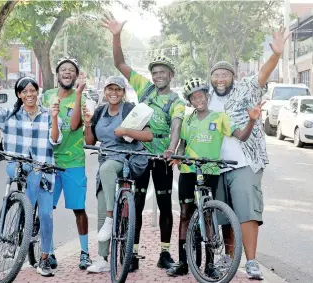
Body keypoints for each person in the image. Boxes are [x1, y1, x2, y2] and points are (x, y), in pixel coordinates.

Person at [102, 11, 185, 271]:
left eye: (163, 72)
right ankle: (132, 254)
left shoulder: (177, 101)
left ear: (171, 75)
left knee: (164, 204)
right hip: (137, 152)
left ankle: (164, 253)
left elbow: (176, 124)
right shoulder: (144, 87)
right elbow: (120, 63)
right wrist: (116, 36)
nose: (158, 75)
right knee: (135, 202)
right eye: (155, 72)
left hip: (161, 155)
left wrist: (171, 148)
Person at [208, 27, 290, 280]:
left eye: (224, 75)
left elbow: (263, 75)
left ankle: (252, 262)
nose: (220, 79)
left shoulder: (246, 89)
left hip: (244, 162)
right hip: (215, 165)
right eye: (216, 75)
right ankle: (230, 259)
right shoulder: (206, 97)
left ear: (233, 76)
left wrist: (275, 55)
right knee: (224, 216)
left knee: (247, 213)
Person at [166, 78, 263, 277]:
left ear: (207, 96)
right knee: (185, 214)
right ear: (190, 101)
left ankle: (210, 264)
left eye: (201, 95)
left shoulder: (220, 118)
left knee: (208, 216)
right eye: (194, 97)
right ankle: (183, 262)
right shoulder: (188, 119)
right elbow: (182, 144)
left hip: (210, 171)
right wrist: (177, 156)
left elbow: (242, 136)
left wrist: (252, 120)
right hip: (188, 171)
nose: (198, 99)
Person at [0, 77, 62, 277]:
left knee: (45, 216)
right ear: (19, 95)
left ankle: (44, 258)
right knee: (31, 175)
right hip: (17, 166)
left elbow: (55, 140)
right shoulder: (11, 115)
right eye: (24, 91)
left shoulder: (48, 114)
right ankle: (18, 230)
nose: (29, 94)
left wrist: (53, 118)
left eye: (32, 90)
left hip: (44, 172)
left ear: (37, 92)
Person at [83, 76, 153, 273]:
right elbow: (90, 141)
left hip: (128, 159)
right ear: (105, 92)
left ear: (123, 92)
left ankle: (111, 218)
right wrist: (88, 123)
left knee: (106, 170)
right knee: (102, 203)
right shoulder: (99, 111)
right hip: (106, 158)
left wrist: (126, 130)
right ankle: (102, 259)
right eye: (110, 89)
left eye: (118, 89)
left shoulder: (130, 109)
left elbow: (148, 135)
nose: (113, 93)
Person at [41, 57, 92, 270]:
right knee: (46, 209)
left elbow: (73, 126)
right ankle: (49, 252)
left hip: (74, 162)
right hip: (49, 162)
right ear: (58, 74)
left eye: (72, 70)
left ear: (76, 75)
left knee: (79, 209)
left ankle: (84, 253)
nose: (67, 72)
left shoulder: (81, 99)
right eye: (64, 69)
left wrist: (78, 94)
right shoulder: (47, 96)